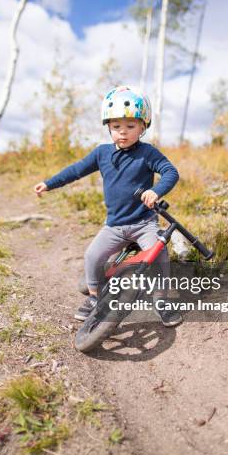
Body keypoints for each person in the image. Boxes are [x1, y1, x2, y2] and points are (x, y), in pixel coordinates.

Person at [34, 85, 182, 327]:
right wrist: (49, 183)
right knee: (92, 256)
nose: (122, 132)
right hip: (114, 225)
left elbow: (170, 172)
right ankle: (94, 297)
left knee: (159, 255)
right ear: (108, 127)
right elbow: (76, 170)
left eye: (130, 126)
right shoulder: (101, 153)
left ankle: (161, 301)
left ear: (143, 126)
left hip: (144, 223)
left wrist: (155, 191)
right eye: (116, 127)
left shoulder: (147, 153)